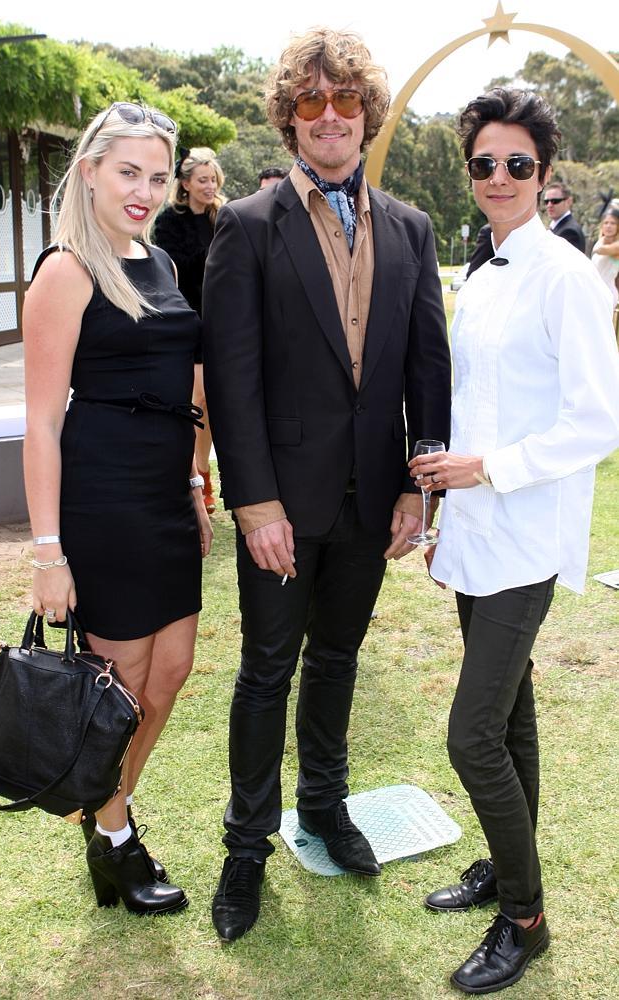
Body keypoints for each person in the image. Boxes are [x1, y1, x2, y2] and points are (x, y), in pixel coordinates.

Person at [203, 27, 451, 941]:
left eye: (345, 100)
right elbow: (231, 377)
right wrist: (253, 503)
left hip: (372, 496)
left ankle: (324, 810)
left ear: (366, 112)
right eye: (310, 101)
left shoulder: (412, 229)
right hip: (280, 503)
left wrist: (419, 485)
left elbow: (429, 366)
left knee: (338, 660)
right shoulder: (246, 225)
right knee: (267, 670)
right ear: (289, 116)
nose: (330, 117)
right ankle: (244, 847)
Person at [410, 88, 619, 994]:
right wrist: (448, 498)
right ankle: (507, 865)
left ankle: (525, 920)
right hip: (476, 534)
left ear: (545, 173)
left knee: (471, 737)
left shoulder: (564, 275)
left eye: (518, 164)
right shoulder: (483, 271)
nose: (499, 178)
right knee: (511, 722)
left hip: (526, 532)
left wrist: (486, 471)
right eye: (485, 164)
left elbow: (597, 421)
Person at [23, 102, 213, 915]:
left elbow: (187, 390)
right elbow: (40, 418)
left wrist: (198, 485)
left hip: (167, 496)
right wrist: (47, 552)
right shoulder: (66, 269)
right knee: (123, 683)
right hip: (104, 501)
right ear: (91, 171)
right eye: (128, 171)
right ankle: (112, 835)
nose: (144, 189)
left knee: (171, 673)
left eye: (157, 175)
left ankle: (106, 811)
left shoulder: (158, 262)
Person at [153, 147, 226, 514]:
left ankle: (205, 469)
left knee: (212, 403)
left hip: (221, 321)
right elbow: (172, 267)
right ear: (185, 184)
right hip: (187, 318)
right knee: (196, 400)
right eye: (202, 180)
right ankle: (199, 475)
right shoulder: (169, 220)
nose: (210, 185)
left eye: (213, 179)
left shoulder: (223, 217)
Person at [543, 180, 586, 252]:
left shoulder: (570, 232)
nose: (549, 205)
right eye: (546, 201)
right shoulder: (556, 227)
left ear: (569, 201)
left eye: (555, 201)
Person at [591, 208, 619, 309]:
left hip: (608, 292)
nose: (608, 226)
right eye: (606, 223)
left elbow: (602, 250)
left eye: (613, 223)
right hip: (594, 291)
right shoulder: (600, 240)